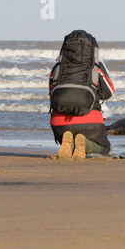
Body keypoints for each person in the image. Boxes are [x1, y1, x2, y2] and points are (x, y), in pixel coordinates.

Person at [48, 30, 115, 159]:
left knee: (67, 137)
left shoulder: (57, 68)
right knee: (106, 150)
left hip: (59, 124)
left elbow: (52, 94)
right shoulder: (96, 67)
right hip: (90, 123)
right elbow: (108, 93)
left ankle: (69, 143)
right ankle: (84, 143)